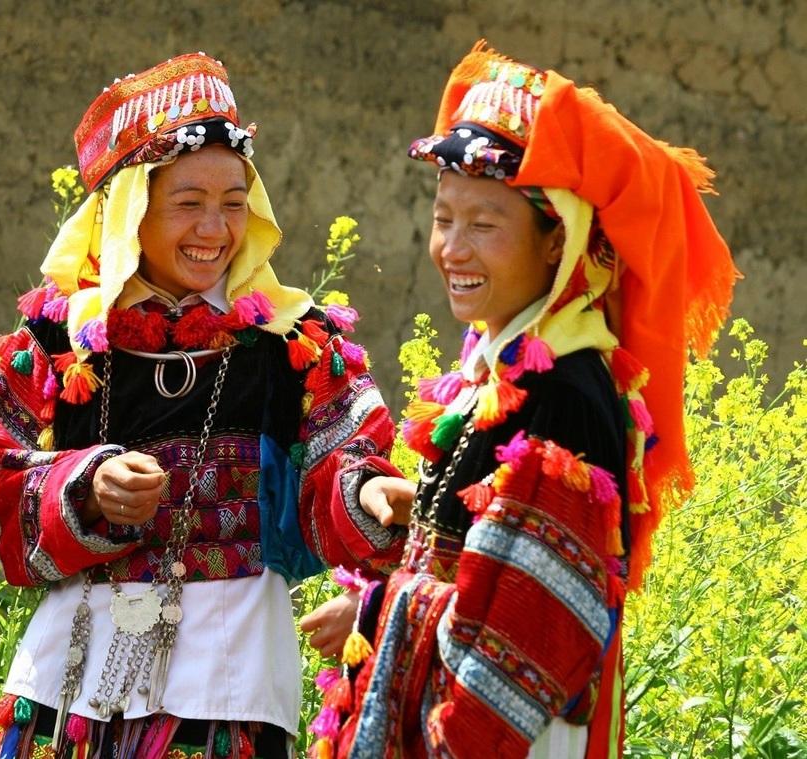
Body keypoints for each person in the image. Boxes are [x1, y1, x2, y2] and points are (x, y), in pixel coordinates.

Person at [0, 53, 406, 759]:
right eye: (188, 202)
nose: (216, 228)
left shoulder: (294, 341)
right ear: (132, 207)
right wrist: (83, 484)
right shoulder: (58, 336)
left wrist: (370, 495)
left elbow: (345, 466)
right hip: (71, 690)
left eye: (234, 202)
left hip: (228, 690)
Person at [302, 42, 736, 757]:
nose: (453, 248)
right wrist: (377, 599)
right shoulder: (502, 373)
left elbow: (516, 652)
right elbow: (475, 577)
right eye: (445, 219)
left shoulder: (564, 395)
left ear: (554, 243)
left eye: (485, 224)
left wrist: (383, 611)